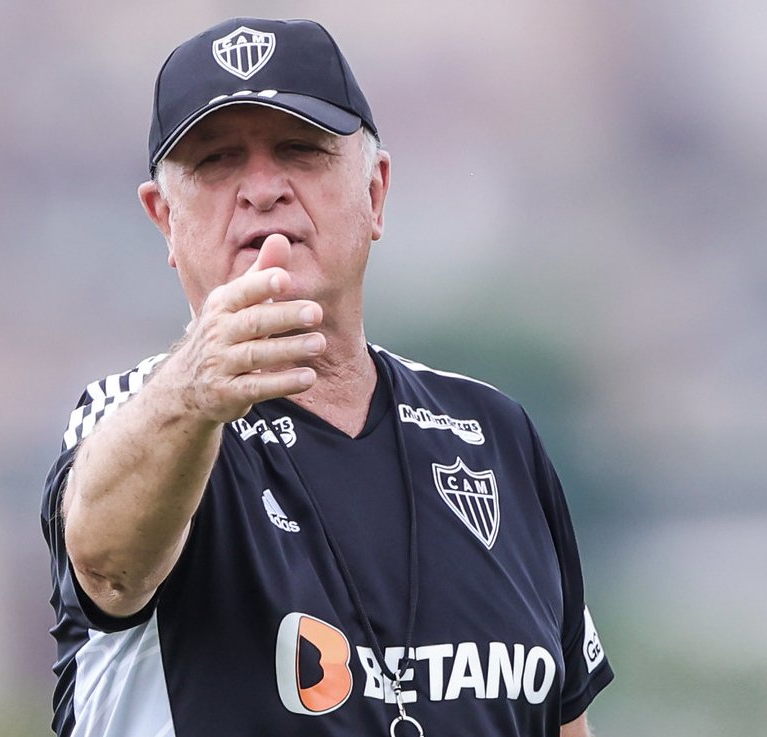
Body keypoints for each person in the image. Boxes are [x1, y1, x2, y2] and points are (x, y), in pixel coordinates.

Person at [42, 17, 613, 737]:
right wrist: (197, 387)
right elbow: (107, 563)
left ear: (375, 192)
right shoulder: (136, 421)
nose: (261, 189)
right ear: (164, 220)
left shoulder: (496, 435)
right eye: (216, 160)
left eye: (299, 150)